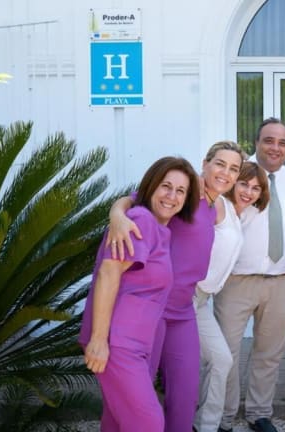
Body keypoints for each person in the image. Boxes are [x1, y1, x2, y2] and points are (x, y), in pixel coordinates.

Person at [108, 141, 244, 432]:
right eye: (220, 164)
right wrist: (116, 216)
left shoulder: (216, 204)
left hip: (184, 310)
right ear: (205, 163)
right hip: (154, 308)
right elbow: (133, 201)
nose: (225, 173)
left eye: (233, 169)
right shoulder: (186, 191)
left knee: (185, 395)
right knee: (135, 392)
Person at [80, 156, 199, 431]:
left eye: (180, 191)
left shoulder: (158, 229)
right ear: (151, 186)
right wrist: (98, 339)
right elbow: (109, 272)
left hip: (134, 344)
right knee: (149, 422)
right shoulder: (141, 220)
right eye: (166, 186)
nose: (171, 196)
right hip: (118, 344)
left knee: (117, 421)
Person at [214, 118, 285, 432]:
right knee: (225, 353)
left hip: (282, 280)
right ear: (256, 142)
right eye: (269, 140)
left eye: (282, 142)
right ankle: (223, 417)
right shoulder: (237, 174)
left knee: (269, 353)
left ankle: (259, 413)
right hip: (237, 281)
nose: (275, 148)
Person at [193, 161, 269, 432]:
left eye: (256, 188)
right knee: (202, 363)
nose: (248, 192)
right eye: (244, 184)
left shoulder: (237, 215)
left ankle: (206, 426)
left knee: (221, 360)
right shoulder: (216, 204)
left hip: (202, 300)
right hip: (187, 296)